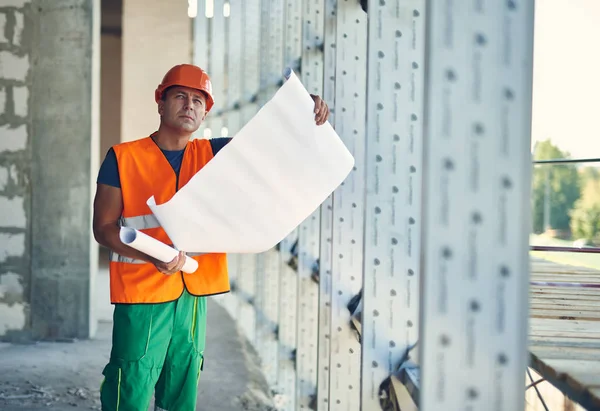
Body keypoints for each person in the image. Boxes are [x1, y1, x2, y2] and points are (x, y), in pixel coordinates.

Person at [93, 63, 330, 411]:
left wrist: (302, 108)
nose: (189, 105)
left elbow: (270, 141)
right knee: (131, 382)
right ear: (160, 102)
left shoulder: (215, 155)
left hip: (192, 292)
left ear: (205, 112)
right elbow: (103, 227)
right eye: (179, 96)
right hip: (142, 291)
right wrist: (153, 257)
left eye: (197, 100)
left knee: (183, 382)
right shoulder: (123, 157)